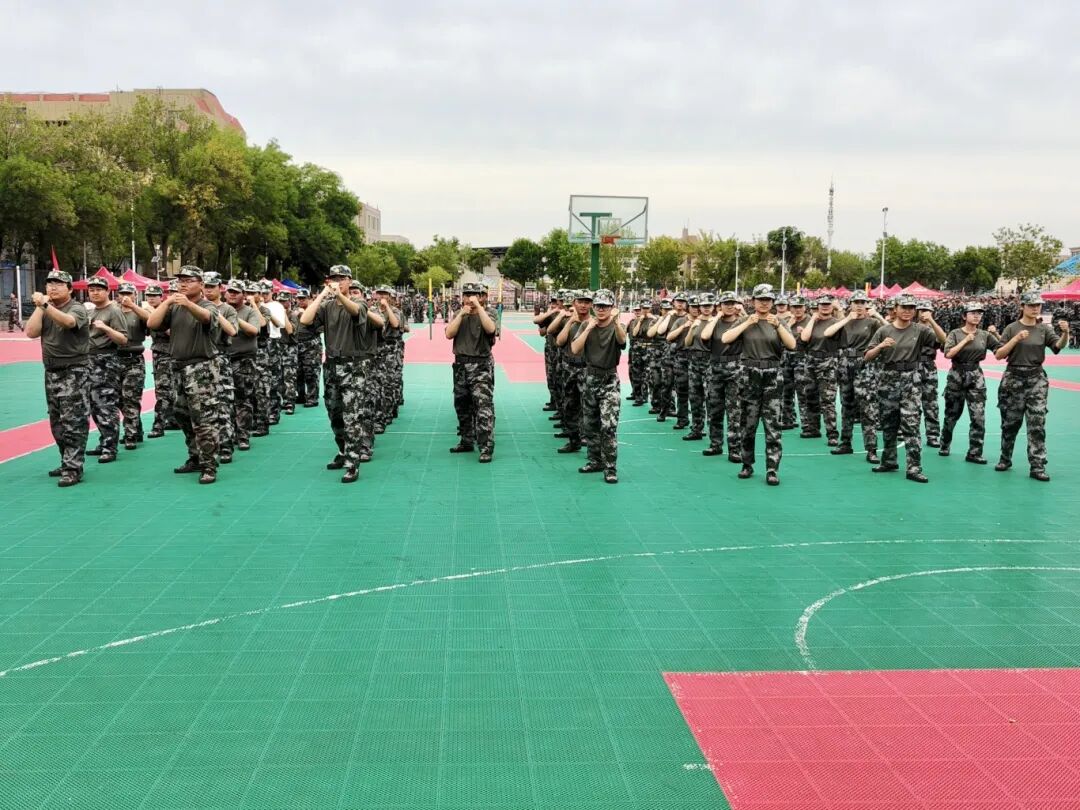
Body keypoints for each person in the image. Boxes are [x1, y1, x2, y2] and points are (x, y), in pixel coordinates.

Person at [299, 266, 383, 482]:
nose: (337, 282)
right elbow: (305, 320)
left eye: (341, 278)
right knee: (334, 413)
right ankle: (343, 450)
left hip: (353, 367)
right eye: (334, 278)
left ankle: (353, 463)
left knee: (351, 416)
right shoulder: (326, 306)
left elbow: (355, 312)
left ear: (349, 281)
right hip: (331, 366)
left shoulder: (359, 302)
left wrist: (339, 295)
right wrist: (322, 295)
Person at [146, 265, 221, 484]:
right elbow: (152, 323)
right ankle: (195, 456)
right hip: (177, 367)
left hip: (200, 368)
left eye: (189, 280)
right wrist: (167, 302)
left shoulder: (207, 305)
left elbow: (207, 318)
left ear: (201, 284)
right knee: (182, 414)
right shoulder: (175, 307)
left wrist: (187, 303)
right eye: (180, 280)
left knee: (203, 419)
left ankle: (209, 465)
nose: (183, 284)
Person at [720, 284, 796, 485]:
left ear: (772, 302)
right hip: (749, 373)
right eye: (760, 300)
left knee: (773, 425)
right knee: (748, 423)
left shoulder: (778, 321)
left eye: (768, 300)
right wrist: (747, 322)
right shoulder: (745, 320)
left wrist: (778, 326)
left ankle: (772, 469)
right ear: (753, 301)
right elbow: (726, 338)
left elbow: (792, 345)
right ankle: (747, 464)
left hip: (772, 374)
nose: (764, 303)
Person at [863, 293, 942, 483]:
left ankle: (914, 467)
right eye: (904, 307)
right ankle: (889, 460)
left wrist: (932, 320)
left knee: (911, 423)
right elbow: (867, 356)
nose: (907, 311)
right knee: (888, 422)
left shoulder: (921, 330)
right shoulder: (884, 330)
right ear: (895, 309)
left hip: (910, 379)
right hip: (888, 378)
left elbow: (943, 342)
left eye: (911, 308)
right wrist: (881, 346)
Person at [994, 291, 1070, 481]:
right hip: (1013, 378)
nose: (1036, 308)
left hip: (1036, 379)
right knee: (1010, 423)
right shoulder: (1011, 328)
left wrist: (1066, 333)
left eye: (1038, 305)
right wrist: (1016, 339)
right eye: (1031, 305)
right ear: (1022, 307)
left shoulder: (1044, 329)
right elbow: (999, 354)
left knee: (1037, 423)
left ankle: (1037, 465)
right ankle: (1005, 458)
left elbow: (1057, 347)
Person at [26, 270, 90, 487]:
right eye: (49, 284)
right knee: (57, 422)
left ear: (70, 289)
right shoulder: (45, 309)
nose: (53, 287)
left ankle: (73, 468)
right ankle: (66, 461)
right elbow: (31, 332)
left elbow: (69, 323)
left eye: (59, 284)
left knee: (74, 421)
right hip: (51, 371)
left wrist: (45, 305)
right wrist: (40, 307)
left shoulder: (77, 308)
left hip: (74, 371)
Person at [570, 288, 626, 483]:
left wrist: (616, 322)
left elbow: (622, 341)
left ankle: (610, 468)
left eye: (605, 306)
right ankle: (595, 461)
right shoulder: (586, 325)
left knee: (608, 426)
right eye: (598, 306)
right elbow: (575, 349)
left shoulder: (617, 326)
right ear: (593, 307)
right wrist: (588, 328)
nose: (601, 309)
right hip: (590, 378)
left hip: (609, 380)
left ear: (612, 307)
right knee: (590, 424)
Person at [823, 291, 884, 462]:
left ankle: (871, 449)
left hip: (864, 363)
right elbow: (828, 333)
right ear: (850, 304)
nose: (859, 305)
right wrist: (847, 318)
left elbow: (890, 332)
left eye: (862, 302)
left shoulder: (872, 323)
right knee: (846, 404)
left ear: (867, 304)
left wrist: (878, 315)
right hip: (844, 363)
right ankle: (845, 443)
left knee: (867, 407)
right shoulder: (843, 321)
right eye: (856, 302)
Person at [940, 302, 1001, 464]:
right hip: (956, 374)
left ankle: (975, 452)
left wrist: (997, 334)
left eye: (979, 313)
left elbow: (1000, 350)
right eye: (973, 313)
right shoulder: (955, 333)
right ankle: (945, 443)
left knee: (978, 416)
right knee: (952, 414)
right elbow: (948, 354)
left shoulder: (984, 335)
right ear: (964, 316)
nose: (976, 316)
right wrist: (965, 340)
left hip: (975, 375)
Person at [445, 281, 497, 462]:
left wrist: (478, 308)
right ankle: (466, 440)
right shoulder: (459, 314)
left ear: (481, 297)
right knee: (462, 405)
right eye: (466, 295)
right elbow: (449, 334)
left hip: (480, 366)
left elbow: (491, 329)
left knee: (483, 407)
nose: (469, 299)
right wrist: (461, 314)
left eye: (474, 295)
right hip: (461, 365)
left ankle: (486, 447)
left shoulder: (489, 313)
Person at [84, 276, 129, 463]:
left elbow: (123, 339)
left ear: (107, 291)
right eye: (91, 290)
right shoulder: (90, 311)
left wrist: (105, 328)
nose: (95, 293)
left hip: (106, 360)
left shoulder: (114, 311)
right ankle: (104, 440)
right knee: (94, 405)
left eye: (99, 289)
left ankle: (110, 447)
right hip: (89, 360)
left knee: (106, 405)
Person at [699, 290, 744, 461]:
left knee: (734, 411)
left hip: (735, 368)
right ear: (720, 305)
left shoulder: (741, 321)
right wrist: (717, 316)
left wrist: (742, 313)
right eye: (726, 303)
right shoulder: (714, 322)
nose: (730, 306)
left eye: (732, 303)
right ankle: (715, 444)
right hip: (715, 367)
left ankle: (735, 448)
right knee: (714, 408)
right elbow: (704, 336)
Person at [202, 272, 239, 462]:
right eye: (206, 286)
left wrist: (214, 313)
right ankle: (205, 449)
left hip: (220, 358)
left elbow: (232, 330)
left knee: (223, 405)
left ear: (220, 289)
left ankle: (225, 446)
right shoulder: (196, 306)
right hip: (200, 359)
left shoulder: (228, 309)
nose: (208, 290)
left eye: (212, 287)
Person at [223, 280, 261, 456]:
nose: (232, 294)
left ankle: (243, 435)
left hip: (244, 360)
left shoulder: (249, 311)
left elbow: (254, 330)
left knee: (243, 399)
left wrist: (233, 318)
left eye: (236, 292)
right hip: (223, 359)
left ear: (243, 295)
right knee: (224, 400)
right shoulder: (219, 309)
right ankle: (227, 435)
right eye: (230, 291)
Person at [799, 294, 841, 445]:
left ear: (832, 306)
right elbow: (804, 338)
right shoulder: (812, 322)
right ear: (817, 306)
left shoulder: (836, 322)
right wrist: (812, 319)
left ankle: (832, 433)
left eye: (828, 304)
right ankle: (813, 428)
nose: (825, 307)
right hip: (811, 361)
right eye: (822, 304)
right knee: (810, 396)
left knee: (827, 400)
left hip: (828, 361)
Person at [554, 290, 593, 452]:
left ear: (591, 304)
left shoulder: (594, 323)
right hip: (569, 368)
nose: (583, 305)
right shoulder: (570, 322)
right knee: (569, 405)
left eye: (587, 302)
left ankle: (589, 442)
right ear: (574, 303)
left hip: (587, 368)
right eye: (580, 302)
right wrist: (570, 322)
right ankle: (574, 440)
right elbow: (559, 342)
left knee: (588, 407)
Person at [116, 282, 149, 450]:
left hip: (134, 359)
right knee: (119, 399)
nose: (125, 296)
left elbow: (150, 320)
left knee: (131, 398)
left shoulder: (139, 312)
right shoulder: (114, 311)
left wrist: (133, 307)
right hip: (114, 359)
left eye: (129, 293)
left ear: (135, 296)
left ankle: (130, 434)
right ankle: (137, 428)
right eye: (122, 293)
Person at [144, 284, 177, 438]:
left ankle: (159, 424)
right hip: (158, 353)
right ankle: (172, 419)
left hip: (169, 353)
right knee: (166, 389)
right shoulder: (152, 312)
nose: (151, 299)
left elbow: (173, 332)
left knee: (164, 390)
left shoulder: (169, 311)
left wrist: (153, 315)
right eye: (148, 296)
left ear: (161, 297)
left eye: (154, 296)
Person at [682, 293, 714, 441]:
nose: (706, 308)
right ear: (699, 307)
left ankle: (713, 433)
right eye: (703, 305)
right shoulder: (696, 322)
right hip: (694, 361)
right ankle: (696, 429)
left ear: (713, 306)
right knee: (695, 397)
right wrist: (691, 328)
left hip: (709, 362)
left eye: (709, 305)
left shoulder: (715, 321)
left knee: (711, 399)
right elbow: (687, 343)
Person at [915, 301, 944, 447]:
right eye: (921, 310)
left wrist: (932, 321)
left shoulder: (935, 329)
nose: (924, 313)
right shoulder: (911, 327)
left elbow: (944, 340)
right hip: (912, 365)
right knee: (911, 402)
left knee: (931, 402)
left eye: (927, 310)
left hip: (929, 366)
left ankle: (932, 435)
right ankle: (910, 432)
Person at [293, 288, 323, 408]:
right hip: (297, 343)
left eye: (303, 299)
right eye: (299, 299)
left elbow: (318, 328)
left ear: (310, 299)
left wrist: (302, 314)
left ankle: (312, 397)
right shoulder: (295, 311)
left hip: (311, 344)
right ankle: (301, 395)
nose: (300, 301)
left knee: (311, 372)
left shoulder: (316, 310)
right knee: (298, 372)